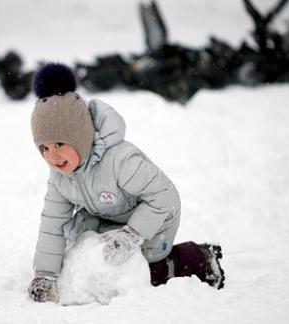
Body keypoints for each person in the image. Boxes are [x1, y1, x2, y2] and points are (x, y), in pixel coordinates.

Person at [27, 63, 225, 303]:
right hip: (110, 219)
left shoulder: (119, 161)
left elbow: (165, 196)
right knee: (91, 257)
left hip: (155, 219)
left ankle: (199, 258)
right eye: (44, 148)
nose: (52, 156)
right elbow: (52, 222)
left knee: (138, 272)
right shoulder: (59, 176)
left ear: (80, 138)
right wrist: (45, 274)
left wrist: (133, 235)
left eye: (59, 144)